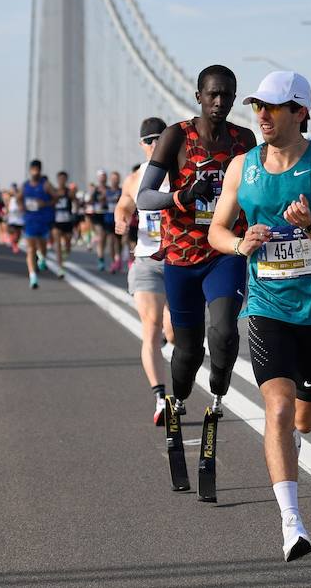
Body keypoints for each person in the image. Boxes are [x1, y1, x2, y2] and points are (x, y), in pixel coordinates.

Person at [208, 70, 311, 561]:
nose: (262, 116)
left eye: (272, 107)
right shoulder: (241, 167)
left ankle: (293, 448)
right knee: (279, 409)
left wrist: (309, 225)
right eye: (257, 107)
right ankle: (292, 523)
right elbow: (218, 231)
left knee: (305, 419)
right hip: (267, 302)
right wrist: (237, 243)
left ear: (300, 112)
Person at [134, 65, 256, 486]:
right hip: (183, 257)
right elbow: (143, 197)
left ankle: (219, 390)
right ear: (199, 96)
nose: (219, 102)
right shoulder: (175, 136)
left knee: (223, 332)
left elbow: (255, 191)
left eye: (227, 95)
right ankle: (178, 397)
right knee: (188, 351)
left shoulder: (244, 140)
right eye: (213, 94)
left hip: (224, 251)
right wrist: (181, 195)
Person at [115, 117, 176, 426]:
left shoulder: (181, 171)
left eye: (159, 139)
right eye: (149, 140)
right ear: (142, 145)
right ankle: (160, 397)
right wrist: (122, 218)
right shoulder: (136, 178)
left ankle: (170, 343)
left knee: (174, 330)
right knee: (151, 325)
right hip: (146, 261)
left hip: (179, 261)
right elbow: (124, 203)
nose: (154, 145)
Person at [19, 160, 60, 287]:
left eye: (37, 169)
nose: (35, 172)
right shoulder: (25, 185)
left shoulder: (46, 185)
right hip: (30, 220)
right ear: (30, 170)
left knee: (42, 247)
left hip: (43, 221)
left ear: (40, 171)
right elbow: (18, 197)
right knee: (31, 249)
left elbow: (56, 197)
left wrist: (45, 204)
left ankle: (42, 258)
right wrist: (21, 207)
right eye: (33, 169)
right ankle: (33, 277)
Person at [51, 171, 77, 270]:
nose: (61, 181)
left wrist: (76, 212)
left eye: (63, 179)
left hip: (67, 221)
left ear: (66, 180)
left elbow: (76, 201)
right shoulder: (53, 191)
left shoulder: (69, 192)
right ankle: (60, 266)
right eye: (60, 179)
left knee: (67, 245)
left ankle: (64, 256)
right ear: (57, 180)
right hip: (56, 221)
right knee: (57, 243)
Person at [4, 184, 24, 254]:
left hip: (20, 220)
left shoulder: (21, 199)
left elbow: (23, 208)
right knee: (13, 232)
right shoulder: (10, 199)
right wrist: (6, 215)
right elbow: (7, 208)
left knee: (18, 234)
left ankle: (15, 244)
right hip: (12, 219)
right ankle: (14, 245)